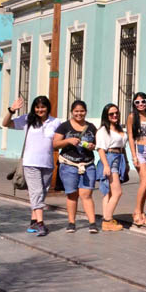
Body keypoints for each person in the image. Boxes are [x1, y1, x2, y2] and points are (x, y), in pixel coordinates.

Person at [1, 95, 62, 237]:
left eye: (43, 107)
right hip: (30, 163)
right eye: (37, 107)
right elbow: (6, 124)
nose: (40, 110)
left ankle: (33, 221)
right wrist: (11, 110)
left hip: (47, 164)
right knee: (37, 192)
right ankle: (41, 224)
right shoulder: (27, 119)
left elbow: (60, 139)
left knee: (41, 194)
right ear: (34, 108)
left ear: (48, 108)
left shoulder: (55, 122)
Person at [53, 100, 100, 234]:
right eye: (76, 111)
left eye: (82, 111)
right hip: (69, 165)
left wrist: (93, 146)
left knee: (87, 194)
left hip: (87, 164)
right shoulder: (64, 126)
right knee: (72, 195)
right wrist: (68, 141)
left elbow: (97, 144)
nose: (79, 114)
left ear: (86, 112)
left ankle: (92, 223)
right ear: (72, 112)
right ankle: (71, 223)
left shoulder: (91, 127)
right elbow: (55, 144)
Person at [95, 103, 128, 231]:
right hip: (110, 158)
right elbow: (101, 149)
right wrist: (106, 165)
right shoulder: (103, 130)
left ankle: (108, 219)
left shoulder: (119, 129)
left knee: (107, 193)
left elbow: (123, 147)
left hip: (119, 158)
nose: (114, 115)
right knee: (117, 192)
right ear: (106, 115)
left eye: (116, 113)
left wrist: (126, 162)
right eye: (111, 114)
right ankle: (107, 220)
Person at [127, 92, 146, 226]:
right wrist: (133, 156)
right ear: (134, 104)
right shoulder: (132, 116)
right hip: (140, 150)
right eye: (137, 102)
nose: (140, 104)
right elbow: (131, 137)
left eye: (143, 101)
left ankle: (142, 211)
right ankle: (137, 211)